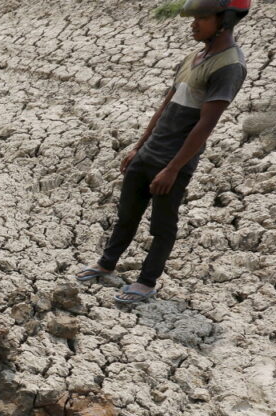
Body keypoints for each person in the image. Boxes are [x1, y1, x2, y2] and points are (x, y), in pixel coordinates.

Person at [76, 0, 250, 303]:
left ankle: (146, 282)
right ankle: (106, 263)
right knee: (126, 216)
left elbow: (205, 125)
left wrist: (172, 168)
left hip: (174, 161)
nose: (194, 24)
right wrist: (138, 147)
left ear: (225, 20)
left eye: (202, 18)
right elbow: (165, 107)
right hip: (149, 153)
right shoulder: (193, 57)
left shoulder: (229, 66)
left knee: (162, 226)